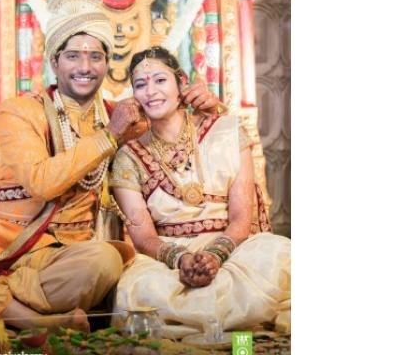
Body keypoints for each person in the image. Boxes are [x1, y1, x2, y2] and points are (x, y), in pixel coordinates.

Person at [0, 0, 221, 332]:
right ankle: (26, 318)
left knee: (104, 261)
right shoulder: (21, 111)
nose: (85, 67)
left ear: (107, 64)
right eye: (73, 56)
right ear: (55, 63)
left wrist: (208, 109)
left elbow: (177, 142)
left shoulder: (123, 119)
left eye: (95, 57)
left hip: (61, 259)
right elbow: (41, 183)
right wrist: (109, 136)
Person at [109, 46, 291, 340]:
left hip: (232, 248)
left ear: (181, 82)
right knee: (141, 290)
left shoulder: (227, 131)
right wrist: (181, 259)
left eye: (160, 80)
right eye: (140, 85)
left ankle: (240, 347)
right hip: (168, 259)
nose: (151, 91)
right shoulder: (128, 156)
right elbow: (143, 238)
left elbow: (241, 218)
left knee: (280, 254)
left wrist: (215, 256)